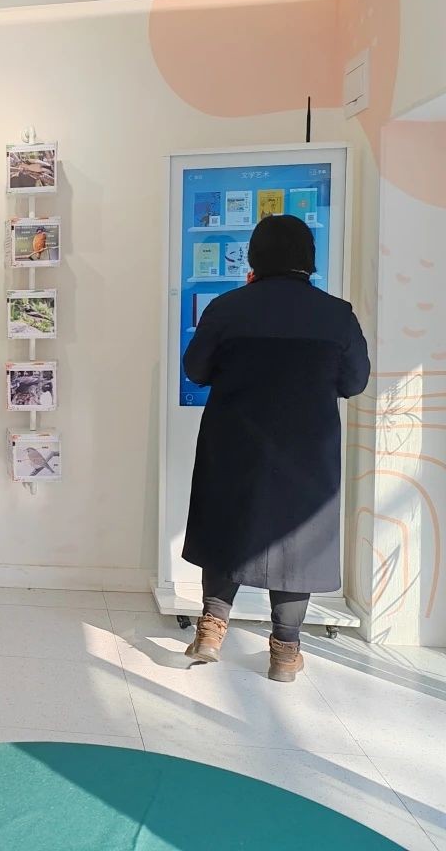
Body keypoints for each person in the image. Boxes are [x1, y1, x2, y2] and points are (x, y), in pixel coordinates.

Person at [182, 214, 369, 682]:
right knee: (298, 542)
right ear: (309, 259)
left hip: (234, 442)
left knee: (226, 525)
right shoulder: (337, 314)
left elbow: (196, 370)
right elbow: (355, 382)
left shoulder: (227, 308)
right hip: (306, 449)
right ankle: (285, 651)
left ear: (254, 257)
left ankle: (211, 629)